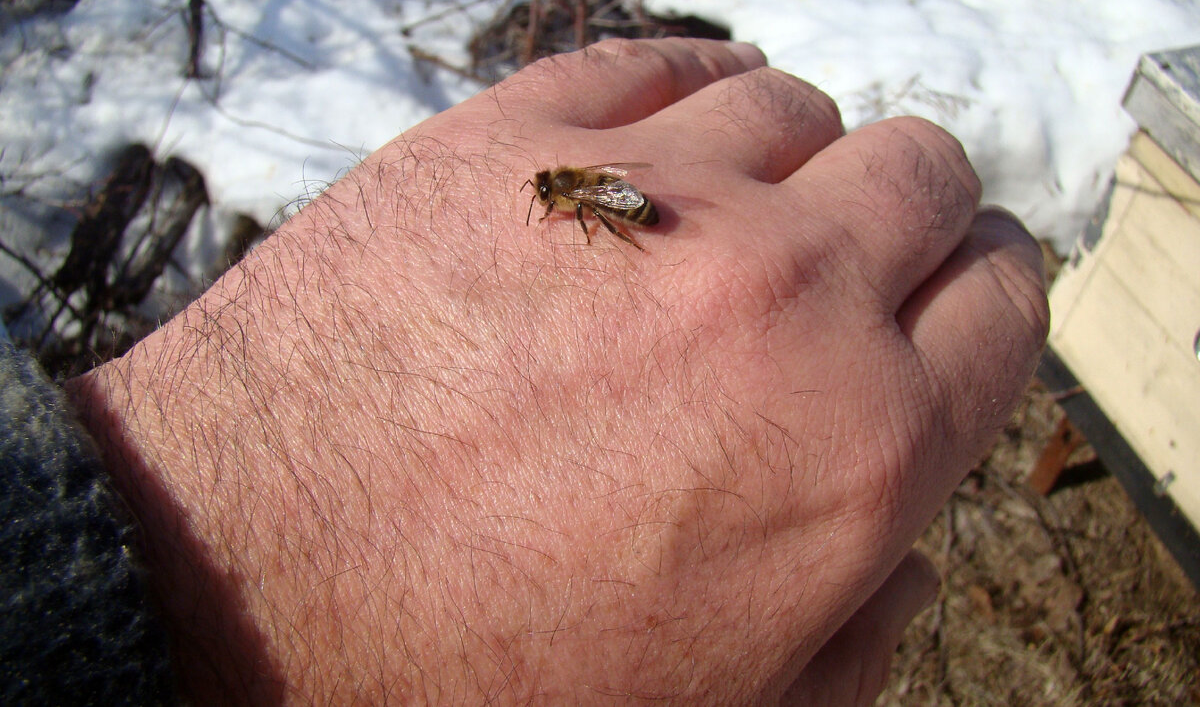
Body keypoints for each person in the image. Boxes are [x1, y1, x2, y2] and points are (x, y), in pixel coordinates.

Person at [2, 38, 1049, 705]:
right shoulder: (585, 191)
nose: (553, 207)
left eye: (552, 201)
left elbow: (620, 204)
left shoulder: (588, 195)